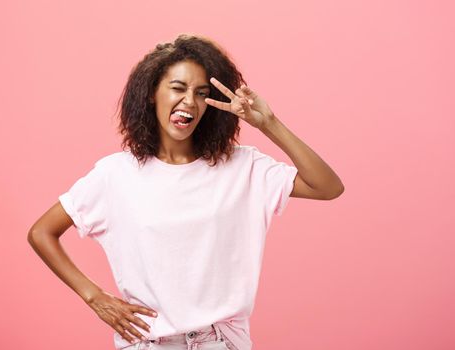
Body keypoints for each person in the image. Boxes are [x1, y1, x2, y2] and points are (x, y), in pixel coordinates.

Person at [28, 33, 344, 350]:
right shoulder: (115, 174)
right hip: (149, 342)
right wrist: (94, 296)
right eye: (178, 88)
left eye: (201, 93)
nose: (190, 102)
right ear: (153, 94)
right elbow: (42, 232)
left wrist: (269, 123)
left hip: (221, 342)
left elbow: (327, 187)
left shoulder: (243, 167)